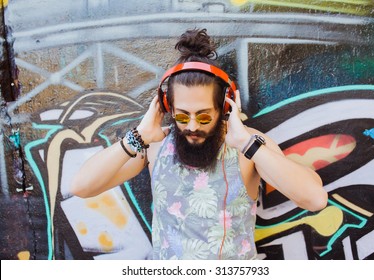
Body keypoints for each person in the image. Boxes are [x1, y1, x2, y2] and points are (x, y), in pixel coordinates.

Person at [71, 28, 328, 260]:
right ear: (167, 107)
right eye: (182, 115)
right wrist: (139, 135)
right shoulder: (155, 147)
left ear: (224, 107)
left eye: (204, 116)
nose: (192, 125)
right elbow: (81, 186)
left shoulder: (248, 147)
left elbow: (315, 199)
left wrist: (246, 143)